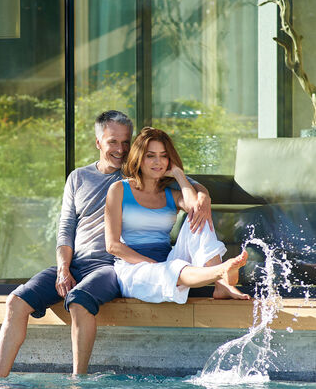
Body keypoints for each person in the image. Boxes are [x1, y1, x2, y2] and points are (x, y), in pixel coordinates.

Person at [0, 111, 213, 377]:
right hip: (75, 263)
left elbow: (194, 188)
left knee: (79, 299)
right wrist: (63, 268)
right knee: (15, 302)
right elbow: (65, 229)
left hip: (112, 266)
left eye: (125, 142)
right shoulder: (78, 178)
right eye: (113, 142)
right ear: (98, 142)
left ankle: (79, 380)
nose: (120, 149)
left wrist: (204, 199)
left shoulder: (137, 173)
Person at [105, 126, 251, 304]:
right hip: (134, 269)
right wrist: (156, 266)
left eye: (164, 155)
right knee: (171, 269)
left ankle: (221, 285)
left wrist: (179, 174)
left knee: (198, 215)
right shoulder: (119, 189)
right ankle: (219, 272)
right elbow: (113, 246)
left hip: (168, 260)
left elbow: (193, 206)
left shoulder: (170, 194)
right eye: (150, 155)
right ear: (139, 158)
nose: (158, 162)